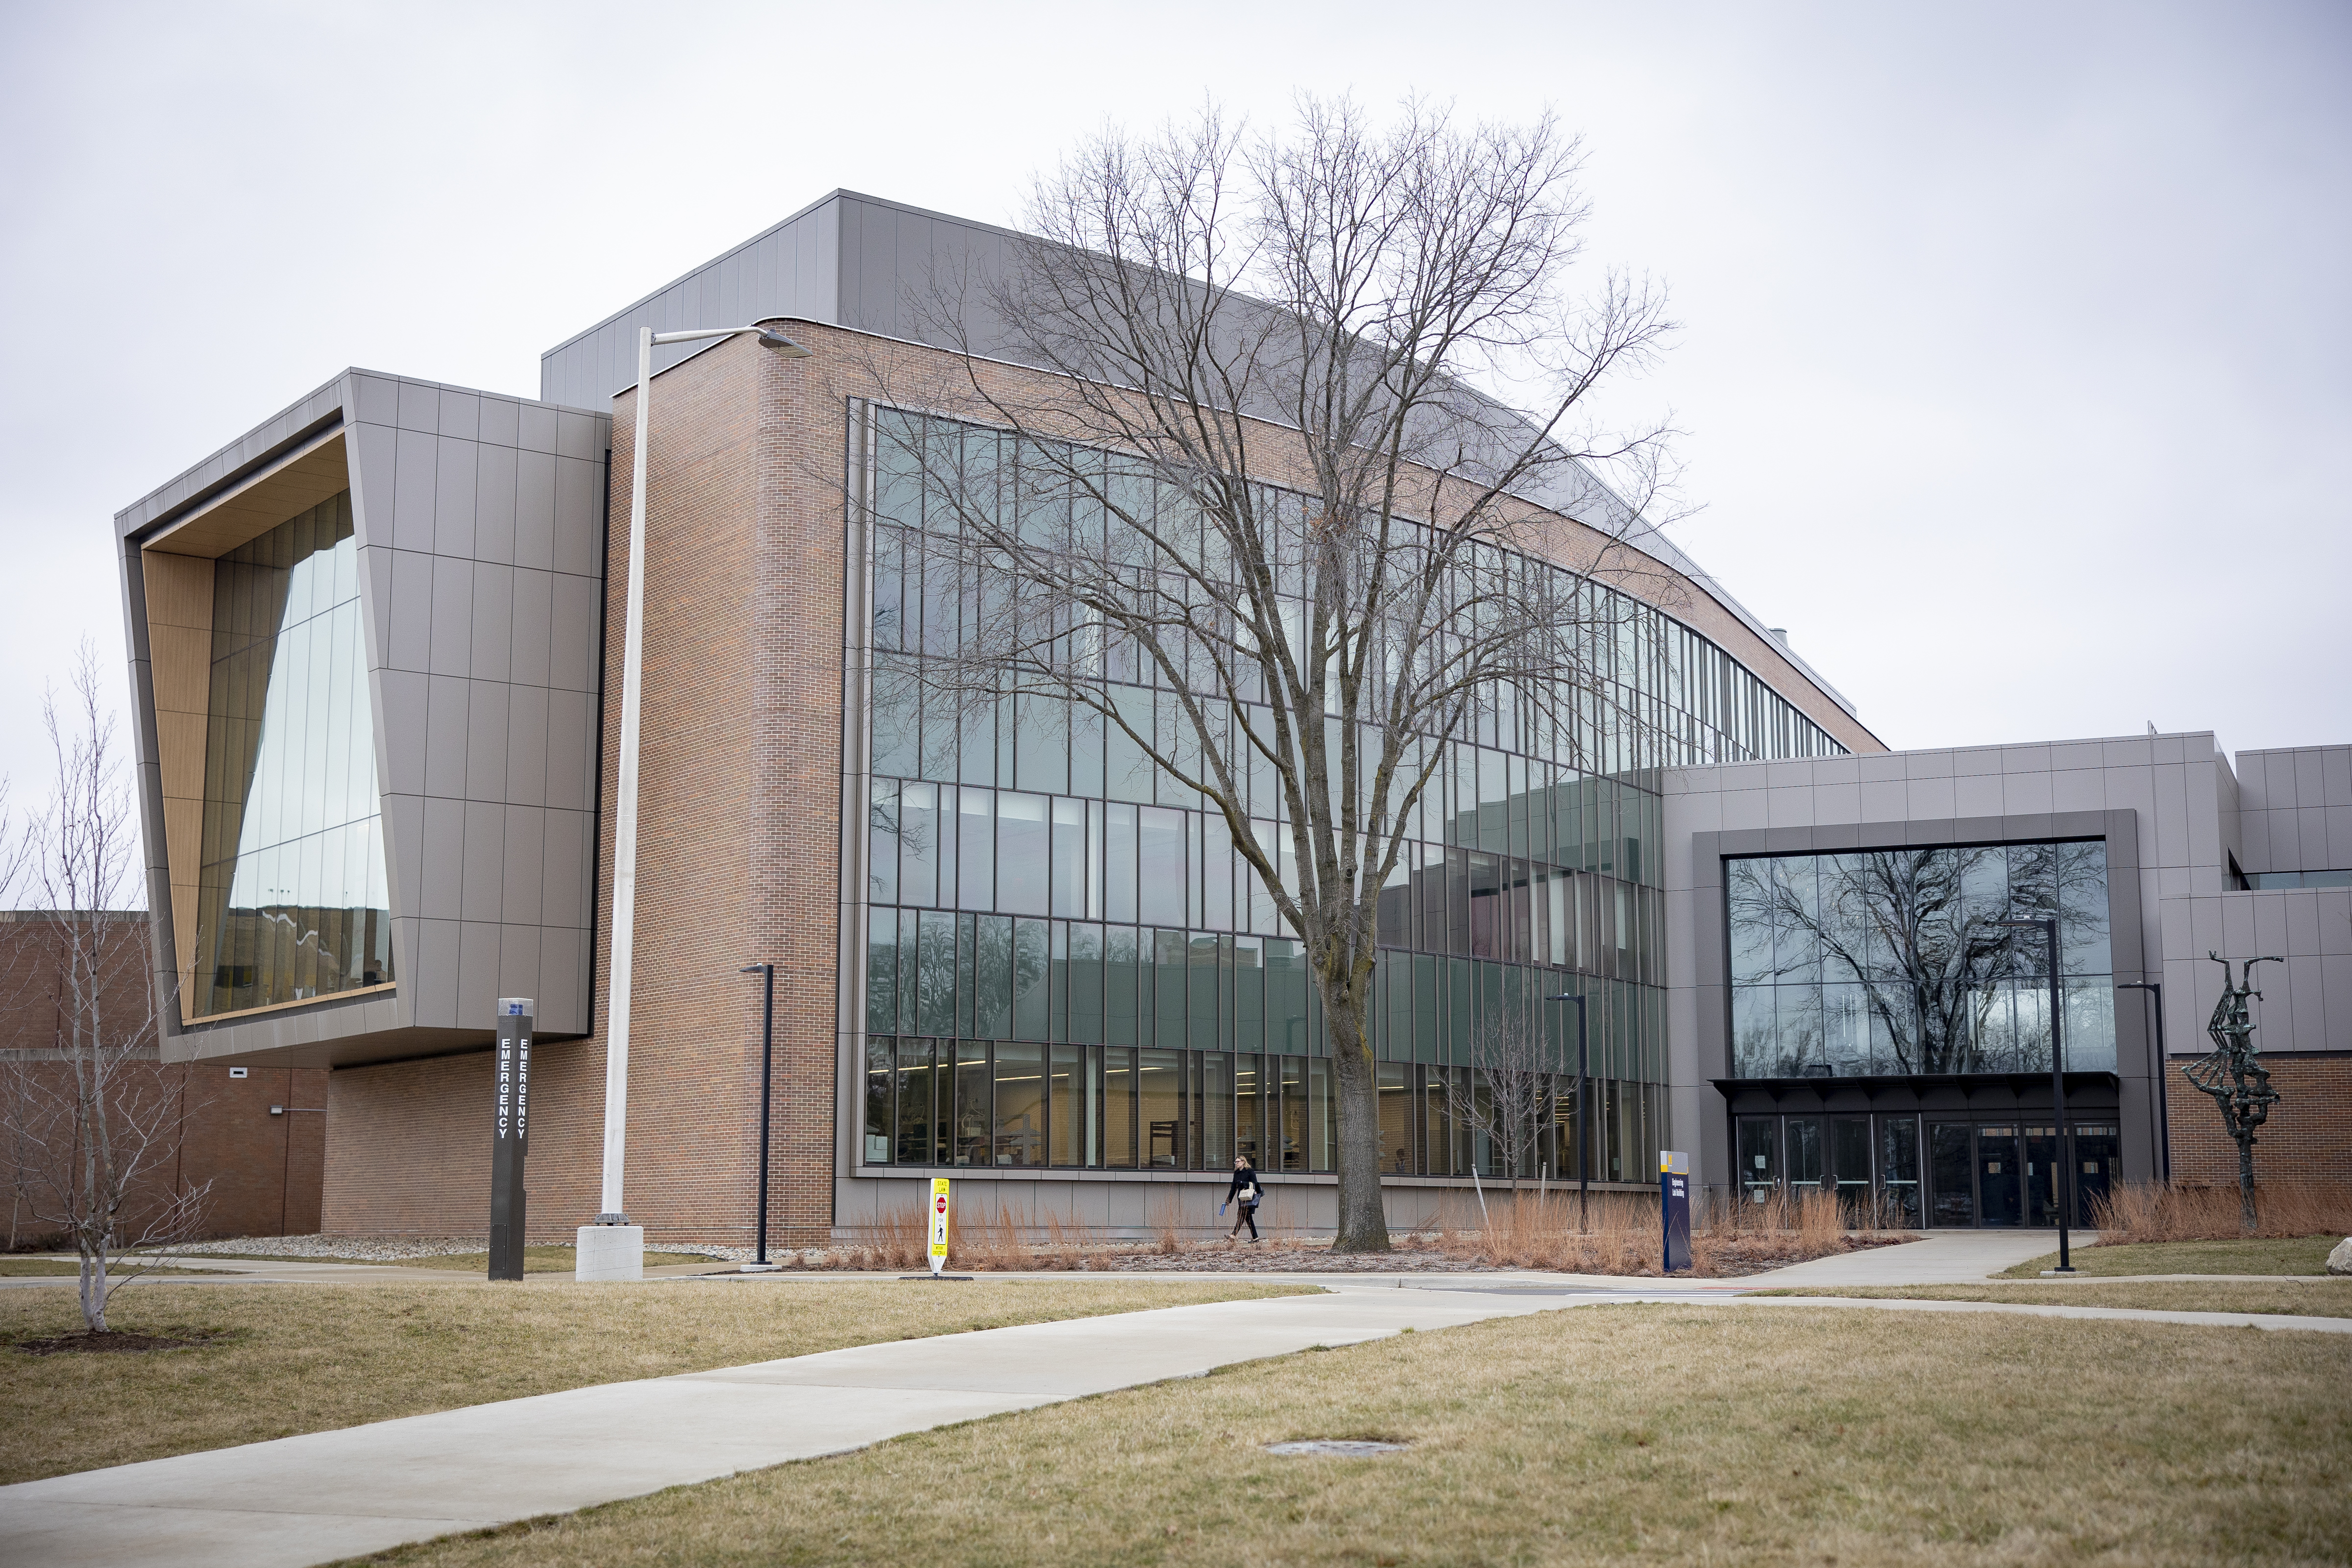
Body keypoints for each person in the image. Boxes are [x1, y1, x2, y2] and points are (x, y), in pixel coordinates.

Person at [1222, 1153, 1264, 1242]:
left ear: (1243, 1162)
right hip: (1241, 1198)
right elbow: (1234, 1188)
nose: (1236, 1164)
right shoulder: (1236, 1173)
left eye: (1238, 1162)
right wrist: (1229, 1200)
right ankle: (1255, 1238)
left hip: (1249, 1197)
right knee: (1248, 1218)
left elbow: (1255, 1183)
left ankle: (1233, 1235)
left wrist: (1243, 1183)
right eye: (1236, 1162)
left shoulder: (1250, 1171)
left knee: (1242, 1215)